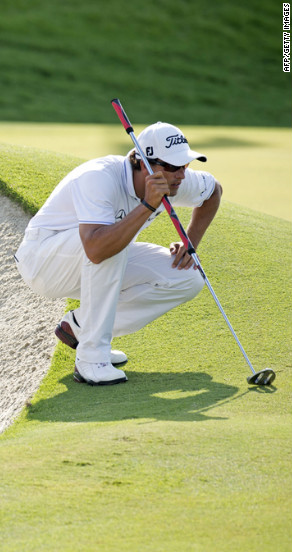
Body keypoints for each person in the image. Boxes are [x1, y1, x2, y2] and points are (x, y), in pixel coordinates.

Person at [13, 122, 222, 385]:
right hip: (44, 263)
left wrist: (190, 243)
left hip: (99, 255)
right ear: (142, 163)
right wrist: (148, 204)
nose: (180, 175)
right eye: (171, 166)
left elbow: (213, 191)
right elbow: (96, 248)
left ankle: (81, 327)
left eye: (185, 166)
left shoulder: (175, 178)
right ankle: (92, 359)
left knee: (188, 277)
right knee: (110, 244)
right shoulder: (99, 177)